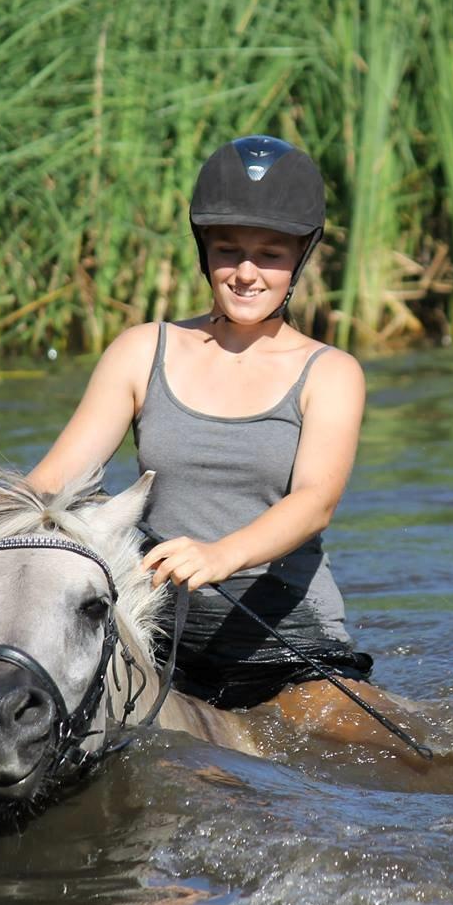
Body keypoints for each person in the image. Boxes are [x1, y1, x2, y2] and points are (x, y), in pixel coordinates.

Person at [28, 135, 388, 745]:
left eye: (269, 254)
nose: (246, 273)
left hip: (287, 651)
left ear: (301, 259)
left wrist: (220, 555)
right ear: (204, 252)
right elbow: (55, 481)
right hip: (158, 649)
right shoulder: (142, 351)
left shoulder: (331, 373)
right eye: (229, 251)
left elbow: (314, 502)